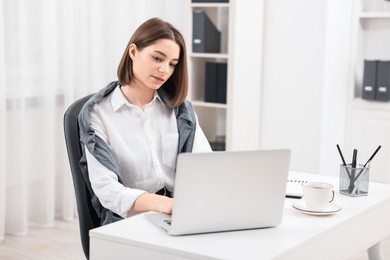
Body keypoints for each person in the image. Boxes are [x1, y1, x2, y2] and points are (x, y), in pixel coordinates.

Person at [78, 17, 212, 225]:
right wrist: (165, 205)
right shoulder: (97, 113)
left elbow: (205, 166)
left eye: (172, 64)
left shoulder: (180, 110)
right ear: (133, 52)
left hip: (180, 215)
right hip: (128, 221)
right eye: (157, 58)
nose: (165, 70)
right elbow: (107, 190)